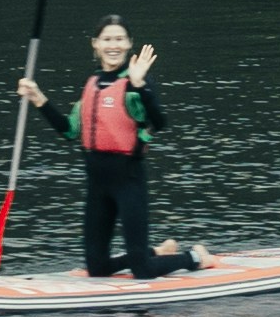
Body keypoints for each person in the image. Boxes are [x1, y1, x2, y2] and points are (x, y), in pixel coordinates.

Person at [19, 18, 201, 279]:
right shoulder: (92, 83)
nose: (113, 45)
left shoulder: (135, 83)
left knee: (142, 270)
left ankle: (193, 257)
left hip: (128, 181)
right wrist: (38, 99)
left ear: (128, 44)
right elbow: (70, 130)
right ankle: (157, 251)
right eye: (107, 39)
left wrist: (141, 85)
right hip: (97, 185)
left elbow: (160, 123)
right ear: (95, 44)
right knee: (97, 268)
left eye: (119, 39)